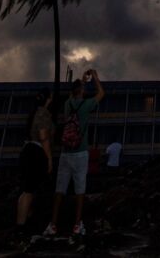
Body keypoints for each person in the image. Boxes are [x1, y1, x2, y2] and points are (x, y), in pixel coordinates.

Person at [44, 69, 105, 243]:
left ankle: (53, 224)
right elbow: (101, 93)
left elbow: (74, 94)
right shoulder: (86, 105)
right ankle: (77, 224)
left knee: (60, 189)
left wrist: (82, 82)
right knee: (80, 190)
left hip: (66, 153)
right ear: (82, 91)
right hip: (80, 152)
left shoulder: (67, 105)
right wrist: (95, 77)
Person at [15, 91, 53, 242]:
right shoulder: (43, 113)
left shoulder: (34, 113)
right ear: (48, 99)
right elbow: (43, 136)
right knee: (29, 191)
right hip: (36, 152)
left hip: (27, 150)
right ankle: (21, 228)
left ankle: (22, 224)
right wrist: (49, 158)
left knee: (26, 191)